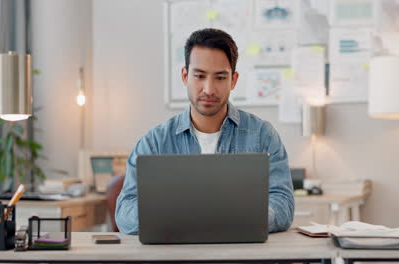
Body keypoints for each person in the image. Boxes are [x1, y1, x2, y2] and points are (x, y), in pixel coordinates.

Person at [116, 28, 294, 235]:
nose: (208, 89)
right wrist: (179, 217)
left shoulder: (262, 135)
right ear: (185, 76)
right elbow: (125, 211)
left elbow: (283, 204)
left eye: (220, 78)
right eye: (199, 76)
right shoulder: (154, 142)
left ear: (234, 80)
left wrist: (241, 219)